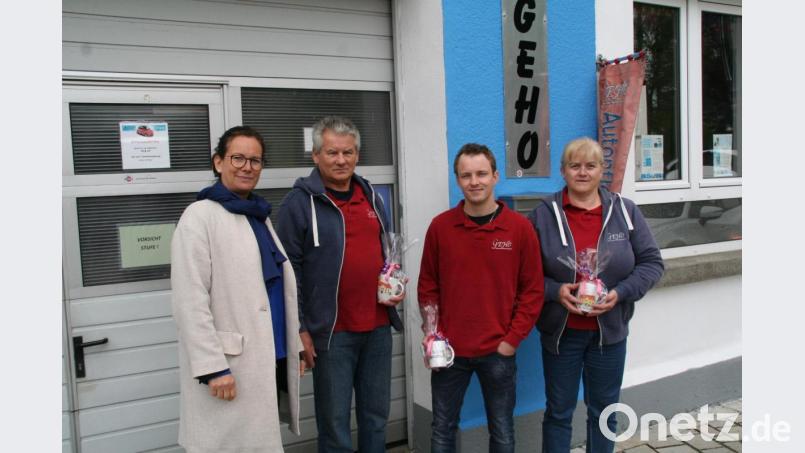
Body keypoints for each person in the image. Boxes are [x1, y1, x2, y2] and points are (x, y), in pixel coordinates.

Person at [171, 126, 303, 453]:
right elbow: (189, 301)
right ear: (218, 162)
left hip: (265, 355)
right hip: (227, 364)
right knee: (225, 445)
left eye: (255, 160)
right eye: (238, 158)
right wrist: (212, 367)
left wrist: (294, 344)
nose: (247, 167)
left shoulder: (257, 214)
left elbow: (275, 290)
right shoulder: (199, 217)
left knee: (256, 442)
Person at [276, 116, 404, 452]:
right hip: (331, 334)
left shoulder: (372, 196)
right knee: (334, 427)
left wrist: (393, 281)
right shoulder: (298, 204)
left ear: (357, 155)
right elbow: (289, 272)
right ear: (316, 155)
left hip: (377, 328)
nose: (341, 160)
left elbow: (386, 253)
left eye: (348, 152)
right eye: (332, 152)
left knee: (376, 418)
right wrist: (300, 329)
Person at [528, 137, 664, 453]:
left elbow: (652, 263)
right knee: (558, 413)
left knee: (604, 413)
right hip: (561, 335)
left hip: (609, 335)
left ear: (602, 170)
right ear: (563, 171)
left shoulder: (625, 211)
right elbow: (523, 274)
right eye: (574, 165)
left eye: (590, 165)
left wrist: (621, 293)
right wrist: (555, 291)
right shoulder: (543, 215)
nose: (582, 172)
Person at [418, 143, 545, 453]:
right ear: (458, 180)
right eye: (466, 175)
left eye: (481, 174)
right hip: (449, 352)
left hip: (498, 351)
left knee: (502, 432)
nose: (474, 182)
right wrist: (433, 333)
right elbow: (427, 286)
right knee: (442, 430)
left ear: (495, 176)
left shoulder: (519, 229)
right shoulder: (440, 227)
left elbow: (532, 291)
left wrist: (511, 340)